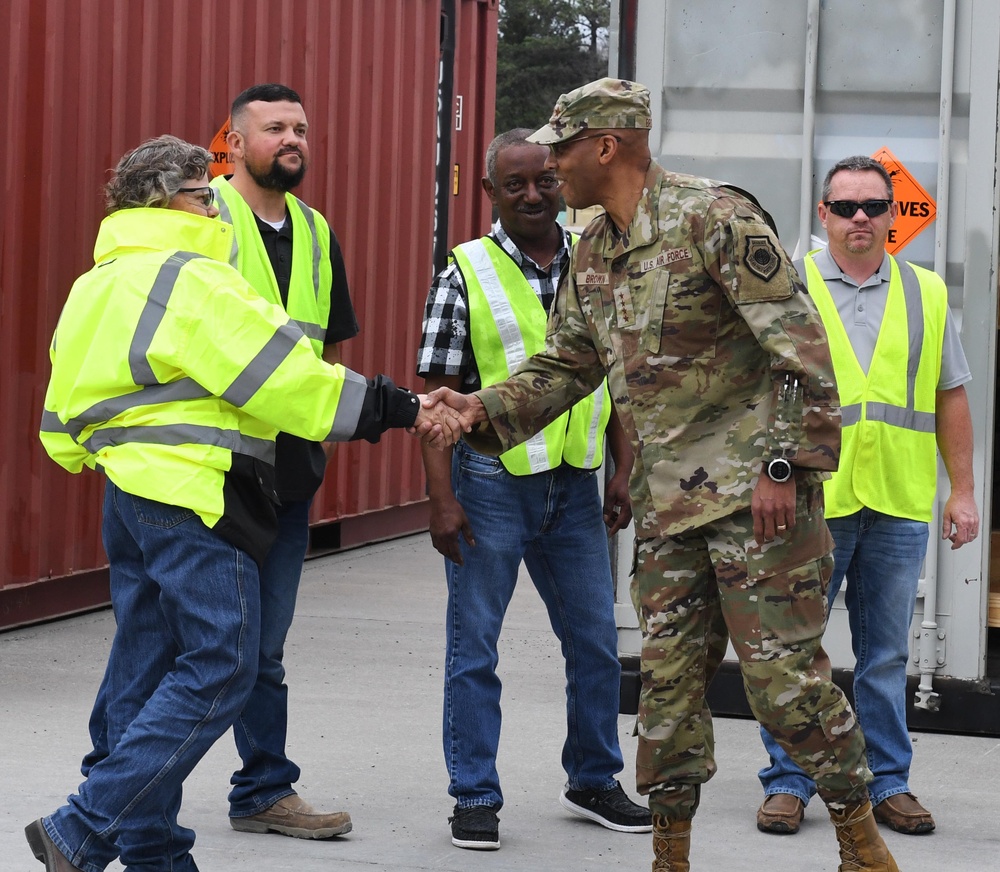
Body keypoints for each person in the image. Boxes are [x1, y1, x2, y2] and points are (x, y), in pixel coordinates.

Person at [421, 79, 900, 872]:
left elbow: (801, 351)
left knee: (784, 685)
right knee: (667, 693)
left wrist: (784, 465)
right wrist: (474, 409)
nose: (551, 163)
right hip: (669, 509)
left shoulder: (715, 218)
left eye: (562, 147)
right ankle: (670, 856)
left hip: (757, 504)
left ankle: (860, 841)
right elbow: (563, 365)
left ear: (605, 146)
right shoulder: (595, 248)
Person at [29, 135, 456, 872]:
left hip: (128, 496)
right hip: (196, 494)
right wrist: (403, 407)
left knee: (144, 669)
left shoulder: (94, 284)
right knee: (225, 664)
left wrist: (124, 454)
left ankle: (154, 853)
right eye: (204, 191)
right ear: (167, 200)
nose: (215, 200)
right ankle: (85, 824)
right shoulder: (192, 279)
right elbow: (290, 379)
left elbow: (59, 425)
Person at [416, 128, 651, 850]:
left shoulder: (596, 261)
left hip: (575, 485)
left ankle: (592, 778)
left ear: (559, 182)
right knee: (475, 647)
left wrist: (623, 467)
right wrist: (441, 499)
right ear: (488, 192)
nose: (531, 195)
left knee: (593, 644)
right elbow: (434, 397)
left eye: (543, 180)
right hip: (490, 484)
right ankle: (475, 795)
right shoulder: (467, 272)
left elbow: (613, 376)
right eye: (513, 184)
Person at [754, 154, 979, 838]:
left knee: (884, 656)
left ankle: (889, 783)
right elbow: (758, 392)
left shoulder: (927, 292)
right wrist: (770, 474)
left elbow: (950, 396)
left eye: (873, 207)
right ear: (823, 215)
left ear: (893, 215)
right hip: (812, 500)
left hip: (899, 500)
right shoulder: (786, 290)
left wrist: (962, 491)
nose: (859, 218)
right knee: (794, 650)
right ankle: (789, 780)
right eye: (845, 207)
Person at [209, 82, 358, 839]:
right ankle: (120, 785)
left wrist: (319, 445)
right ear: (234, 141)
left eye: (300, 126)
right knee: (181, 643)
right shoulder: (201, 217)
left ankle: (263, 790)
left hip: (288, 480)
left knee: (264, 649)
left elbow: (329, 351)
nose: (292, 138)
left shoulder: (314, 228)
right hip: (208, 474)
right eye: (274, 128)